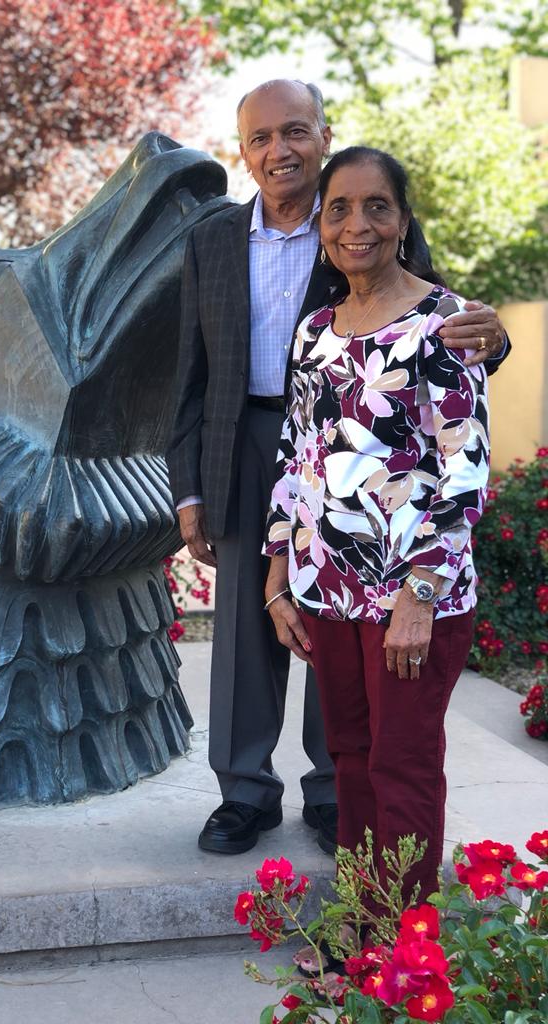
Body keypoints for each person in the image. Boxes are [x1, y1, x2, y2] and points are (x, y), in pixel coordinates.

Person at [166, 79, 509, 857]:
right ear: (243, 151)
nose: (278, 151)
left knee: (342, 629)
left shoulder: (358, 211)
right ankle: (245, 793)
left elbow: (442, 322)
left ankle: (333, 794)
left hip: (356, 459)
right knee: (255, 623)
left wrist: (493, 334)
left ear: (323, 136)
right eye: (260, 138)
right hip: (255, 444)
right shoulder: (211, 240)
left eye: (294, 132)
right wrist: (188, 490)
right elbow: (186, 375)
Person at [264, 145, 489, 904]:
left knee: (401, 764)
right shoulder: (315, 333)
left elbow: (463, 473)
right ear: (322, 226)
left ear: (401, 220)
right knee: (350, 759)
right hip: (328, 592)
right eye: (340, 209)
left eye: (376, 206)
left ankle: (405, 946)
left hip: (412, 600)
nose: (356, 224)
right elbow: (297, 462)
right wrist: (278, 579)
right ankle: (363, 931)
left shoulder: (446, 323)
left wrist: (419, 595)